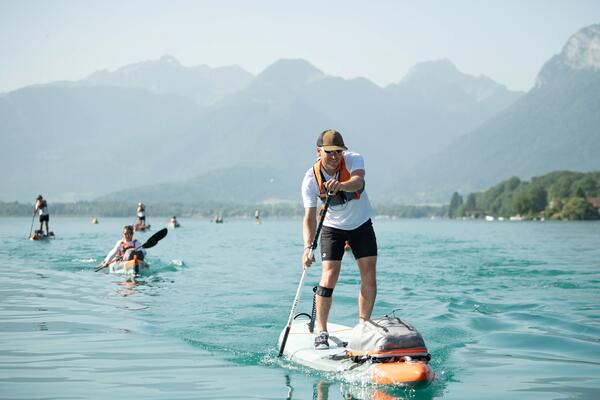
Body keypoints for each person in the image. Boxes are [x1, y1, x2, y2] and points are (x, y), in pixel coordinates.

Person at [301, 129, 377, 350]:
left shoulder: (354, 159)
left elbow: (358, 182)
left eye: (338, 152)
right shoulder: (310, 180)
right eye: (329, 152)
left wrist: (341, 185)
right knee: (330, 274)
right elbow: (308, 218)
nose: (335, 157)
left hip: (361, 224)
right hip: (332, 228)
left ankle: (363, 328)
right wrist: (307, 247)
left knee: (369, 273)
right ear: (319, 152)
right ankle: (322, 331)